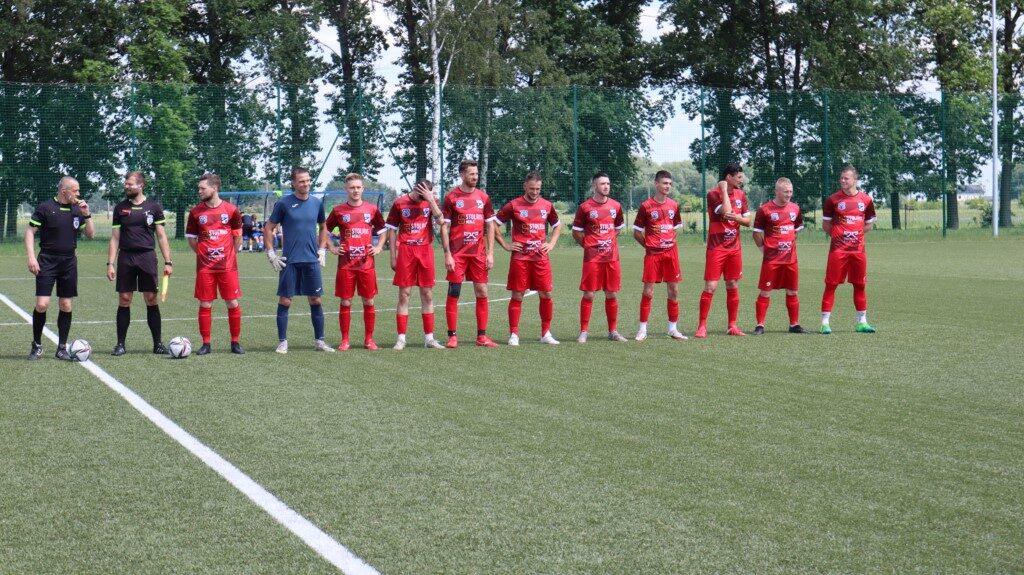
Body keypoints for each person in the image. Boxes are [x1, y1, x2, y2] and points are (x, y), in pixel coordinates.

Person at [25, 176, 95, 360]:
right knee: (42, 304)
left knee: (66, 304)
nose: (78, 193)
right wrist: (31, 257)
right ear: (64, 191)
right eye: (76, 190)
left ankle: (62, 348)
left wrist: (87, 215)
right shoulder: (45, 208)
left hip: (69, 262)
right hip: (47, 261)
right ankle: (37, 345)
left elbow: (90, 235)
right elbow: (30, 232)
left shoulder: (77, 210)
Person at [264, 167, 333, 353]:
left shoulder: (317, 203)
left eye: (308, 180)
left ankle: (319, 341)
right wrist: (271, 253)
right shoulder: (283, 204)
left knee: (316, 300)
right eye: (302, 181)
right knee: (285, 300)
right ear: (293, 183)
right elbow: (268, 228)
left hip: (311, 260)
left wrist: (322, 249)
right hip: (290, 261)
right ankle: (282, 342)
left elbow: (323, 226)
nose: (306, 184)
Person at [106, 171, 173, 356]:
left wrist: (168, 261)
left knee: (151, 298)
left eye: (130, 184)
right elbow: (115, 238)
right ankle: (120, 344)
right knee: (124, 299)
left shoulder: (154, 207)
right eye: (126, 184)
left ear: (141, 185)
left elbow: (161, 236)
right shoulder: (120, 208)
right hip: (126, 257)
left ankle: (158, 344)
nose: (126, 186)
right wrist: (110, 263)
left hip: (147, 257)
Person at [494, 171, 562, 346]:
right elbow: (493, 224)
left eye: (538, 189)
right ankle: (514, 334)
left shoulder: (547, 205)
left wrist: (552, 243)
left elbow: (557, 225)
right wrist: (505, 244)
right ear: (525, 186)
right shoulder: (513, 205)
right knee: (518, 294)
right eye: (532, 188)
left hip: (540, 258)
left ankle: (546, 333)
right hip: (520, 258)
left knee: (546, 293)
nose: (535, 192)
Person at [440, 159, 499, 348]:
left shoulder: (483, 198)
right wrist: (447, 254)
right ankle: (452, 336)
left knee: (482, 291)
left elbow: (490, 226)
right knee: (454, 291)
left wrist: (490, 253)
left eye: (476, 174)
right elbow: (444, 227)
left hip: (478, 254)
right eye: (471, 174)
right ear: (462, 174)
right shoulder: (451, 198)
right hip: (457, 254)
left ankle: (482, 336)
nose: (475, 177)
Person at [185, 173, 245, 355]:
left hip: (227, 266)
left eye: (202, 188)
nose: (199, 191)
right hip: (205, 267)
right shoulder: (196, 212)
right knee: (205, 304)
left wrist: (231, 255)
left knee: (232, 302)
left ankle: (235, 342)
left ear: (214, 188)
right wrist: (202, 253)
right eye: (199, 188)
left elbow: (237, 236)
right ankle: (206, 343)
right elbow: (191, 239)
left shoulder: (231, 210)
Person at [325, 173, 386, 350]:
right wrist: (332, 247)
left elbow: (383, 230)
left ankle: (369, 340)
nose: (355, 190)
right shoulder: (338, 211)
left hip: (367, 264)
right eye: (352, 187)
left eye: (358, 187)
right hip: (346, 265)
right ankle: (345, 340)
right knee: (346, 302)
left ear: (363, 189)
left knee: (369, 301)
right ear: (346, 189)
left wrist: (379, 247)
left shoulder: (372, 209)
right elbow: (324, 231)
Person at [385, 179, 446, 350]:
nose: (423, 198)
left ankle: (429, 339)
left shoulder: (431, 201)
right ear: (415, 189)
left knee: (427, 294)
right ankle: (401, 339)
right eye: (421, 195)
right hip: (406, 251)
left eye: (426, 194)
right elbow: (392, 230)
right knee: (404, 294)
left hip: (425, 250)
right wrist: (393, 256)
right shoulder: (399, 203)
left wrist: (431, 199)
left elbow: (441, 221)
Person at [695, 163, 751, 338]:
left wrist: (737, 218)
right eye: (739, 177)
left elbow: (748, 221)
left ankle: (732, 325)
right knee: (711, 286)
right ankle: (702, 326)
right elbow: (726, 211)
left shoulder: (742, 195)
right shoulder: (713, 194)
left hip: (734, 248)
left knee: (732, 284)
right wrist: (724, 190)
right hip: (716, 248)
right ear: (729, 177)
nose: (741, 180)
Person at [820, 165, 877, 334]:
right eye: (841, 178)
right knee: (831, 285)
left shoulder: (866, 200)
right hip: (838, 251)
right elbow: (826, 225)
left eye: (846, 178)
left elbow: (869, 225)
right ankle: (825, 323)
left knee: (860, 285)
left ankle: (862, 322)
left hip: (858, 251)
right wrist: (839, 236)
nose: (843, 180)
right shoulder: (832, 200)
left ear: (855, 180)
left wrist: (855, 235)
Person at [572, 171, 627, 343]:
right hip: (592, 258)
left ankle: (613, 331)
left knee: (611, 293)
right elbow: (576, 232)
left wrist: (608, 241)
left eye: (608, 184)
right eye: (603, 183)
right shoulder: (585, 207)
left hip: (612, 258)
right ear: (594, 186)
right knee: (589, 294)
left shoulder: (616, 206)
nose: (606, 186)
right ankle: (584, 331)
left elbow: (618, 228)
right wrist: (589, 246)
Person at [633, 170, 687, 341]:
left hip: (671, 253)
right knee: (648, 291)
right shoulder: (646, 206)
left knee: (674, 290)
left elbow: (674, 228)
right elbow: (636, 232)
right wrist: (649, 245)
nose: (667, 186)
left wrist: (668, 242)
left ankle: (673, 329)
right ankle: (642, 329)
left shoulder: (674, 205)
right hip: (653, 255)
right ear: (656, 184)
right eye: (664, 183)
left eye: (669, 184)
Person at [751, 177, 807, 335]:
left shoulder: (795, 209)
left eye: (790, 191)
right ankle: (760, 325)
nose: (789, 194)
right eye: (785, 192)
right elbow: (756, 234)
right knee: (765, 291)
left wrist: (788, 246)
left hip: (790, 259)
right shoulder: (765, 210)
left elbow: (795, 231)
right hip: (771, 260)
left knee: (792, 291)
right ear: (776, 191)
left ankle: (794, 324)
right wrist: (765, 251)